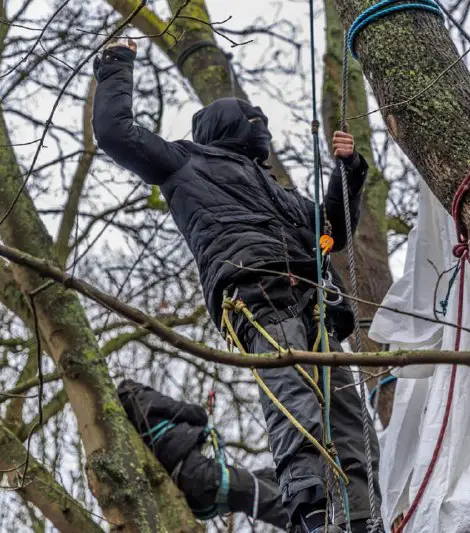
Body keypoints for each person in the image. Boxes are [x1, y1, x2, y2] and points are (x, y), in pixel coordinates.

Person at [93, 38, 380, 533]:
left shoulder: (277, 192)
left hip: (312, 304)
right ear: (229, 125)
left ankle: (360, 520)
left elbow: (331, 227)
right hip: (259, 299)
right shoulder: (185, 164)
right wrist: (117, 63)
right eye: (252, 122)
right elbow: (116, 133)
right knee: (297, 404)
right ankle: (313, 514)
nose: (260, 129)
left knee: (351, 423)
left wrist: (348, 172)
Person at [118, 379, 292, 530]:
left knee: (267, 477)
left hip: (194, 489)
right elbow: (195, 414)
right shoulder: (139, 397)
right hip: (198, 475)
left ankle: (303, 490)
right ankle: (309, 523)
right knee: (260, 493)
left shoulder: (131, 440)